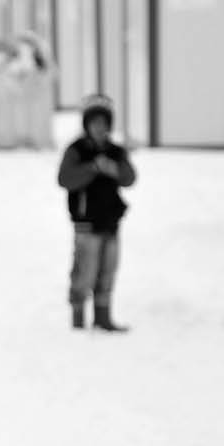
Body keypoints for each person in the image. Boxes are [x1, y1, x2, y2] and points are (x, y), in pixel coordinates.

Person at [56, 93, 137, 331]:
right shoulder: (77, 150)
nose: (99, 128)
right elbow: (64, 179)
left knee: (108, 270)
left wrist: (113, 169)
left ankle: (103, 316)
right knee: (84, 270)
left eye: (104, 123)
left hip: (110, 221)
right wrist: (91, 168)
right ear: (87, 124)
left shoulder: (115, 151)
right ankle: (78, 318)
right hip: (86, 223)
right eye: (95, 123)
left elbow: (129, 178)